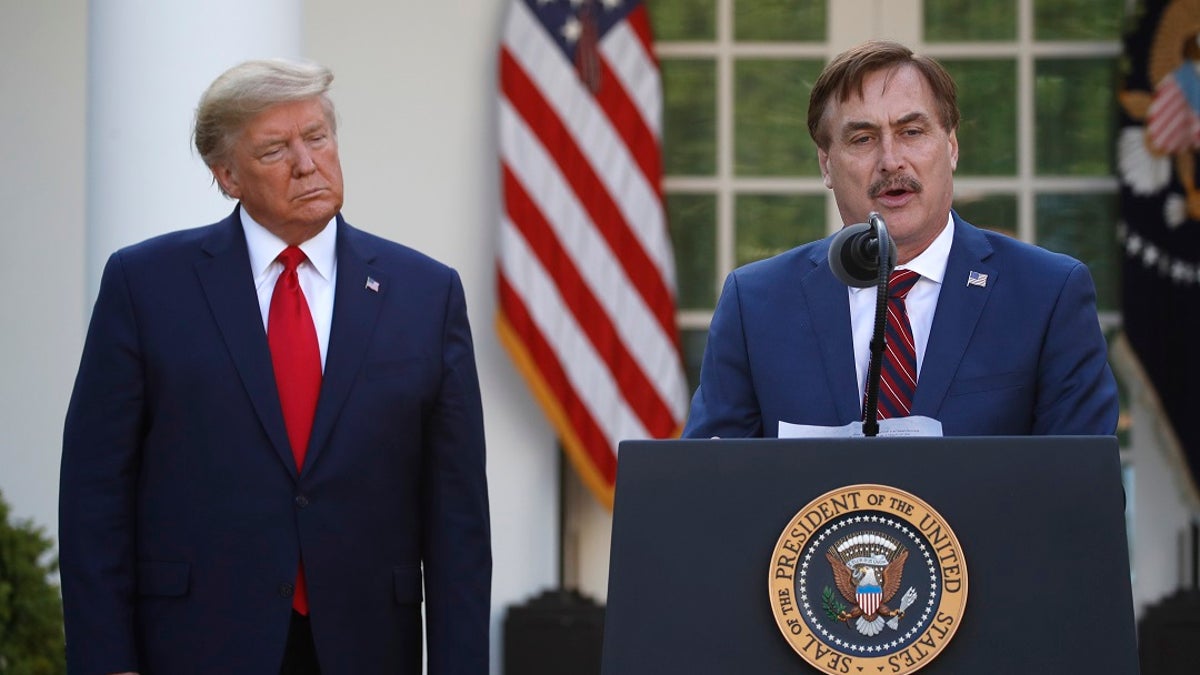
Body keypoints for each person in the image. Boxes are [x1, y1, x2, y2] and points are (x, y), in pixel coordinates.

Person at [59, 59, 491, 674]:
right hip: (195, 643)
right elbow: (94, 494)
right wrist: (107, 662)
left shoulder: (426, 293)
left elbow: (458, 517)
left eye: (316, 137)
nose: (306, 163)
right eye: (274, 149)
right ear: (227, 176)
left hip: (366, 645)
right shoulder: (145, 285)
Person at [682, 40, 1118, 439]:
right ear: (826, 165)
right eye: (863, 138)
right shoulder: (755, 304)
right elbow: (707, 493)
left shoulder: (1048, 294)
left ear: (951, 146)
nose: (891, 161)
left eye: (912, 132)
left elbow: (1082, 498)